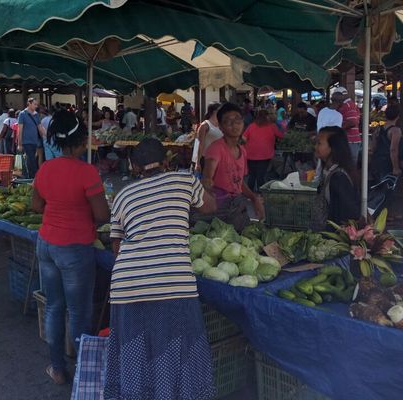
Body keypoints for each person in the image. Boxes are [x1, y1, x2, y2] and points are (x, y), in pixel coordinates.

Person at [104, 138, 217, 400]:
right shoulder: (184, 180)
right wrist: (203, 187)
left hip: (127, 284)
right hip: (172, 280)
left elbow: (116, 246)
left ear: (134, 167)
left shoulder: (122, 196)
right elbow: (210, 207)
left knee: (136, 350)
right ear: (166, 162)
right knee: (178, 347)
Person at [31, 110, 110, 384]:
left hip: (46, 243)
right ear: (81, 141)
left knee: (54, 307)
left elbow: (36, 206)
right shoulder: (87, 172)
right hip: (75, 248)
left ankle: (57, 368)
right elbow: (102, 216)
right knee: (79, 312)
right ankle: (83, 373)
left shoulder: (45, 168)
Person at [202, 102, 265, 230]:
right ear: (220, 127)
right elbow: (208, 175)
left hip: (237, 204)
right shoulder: (216, 149)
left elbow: (239, 182)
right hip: (220, 208)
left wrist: (254, 198)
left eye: (237, 120)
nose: (234, 125)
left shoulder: (242, 150)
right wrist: (207, 181)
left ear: (243, 122)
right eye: (228, 121)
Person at [313, 126, 360, 229]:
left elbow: (346, 215)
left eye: (319, 143)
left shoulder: (338, 177)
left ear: (332, 148)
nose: (315, 147)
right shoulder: (328, 170)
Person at [242, 109, 285, 191]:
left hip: (250, 155)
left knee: (252, 175)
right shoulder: (272, 126)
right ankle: (261, 193)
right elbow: (281, 136)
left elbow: (243, 139)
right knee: (260, 175)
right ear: (267, 117)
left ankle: (249, 193)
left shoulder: (251, 126)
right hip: (265, 155)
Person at [371, 103, 403, 181]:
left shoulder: (378, 129)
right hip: (387, 164)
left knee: (378, 188)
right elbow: (393, 150)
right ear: (398, 116)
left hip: (377, 162)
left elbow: (373, 147)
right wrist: (396, 168)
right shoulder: (395, 130)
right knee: (388, 188)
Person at [333, 87, 361, 164]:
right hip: (351, 140)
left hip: (350, 140)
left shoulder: (348, 105)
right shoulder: (350, 104)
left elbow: (353, 122)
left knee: (348, 164)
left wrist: (337, 129)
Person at [17, 98, 43, 178]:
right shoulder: (22, 114)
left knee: (32, 160)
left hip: (34, 141)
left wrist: (46, 137)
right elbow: (20, 130)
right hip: (26, 142)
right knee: (31, 160)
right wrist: (20, 144)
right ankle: (33, 177)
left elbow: (40, 128)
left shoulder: (36, 115)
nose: (36, 106)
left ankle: (30, 176)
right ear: (29, 103)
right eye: (34, 104)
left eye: (36, 104)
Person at [195, 102, 223, 171]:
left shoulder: (221, 124)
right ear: (214, 111)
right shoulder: (205, 125)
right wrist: (197, 162)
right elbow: (200, 144)